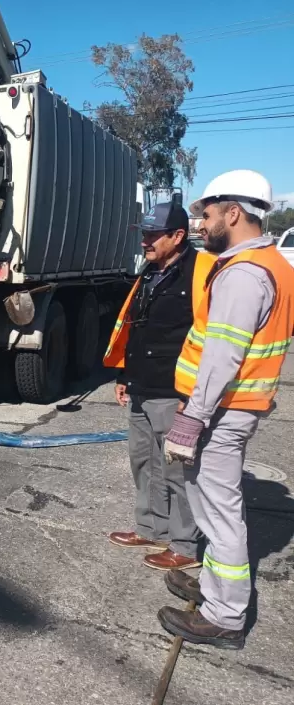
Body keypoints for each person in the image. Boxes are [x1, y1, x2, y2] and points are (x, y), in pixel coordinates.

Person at [158, 170, 294, 650]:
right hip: (234, 406)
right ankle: (215, 590)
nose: (202, 224)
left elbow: (222, 356)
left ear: (233, 213)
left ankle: (224, 617)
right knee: (215, 505)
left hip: (222, 410)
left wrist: (192, 418)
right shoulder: (271, 264)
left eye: (208, 214)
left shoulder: (244, 274)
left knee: (219, 513)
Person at [104, 201, 216, 571]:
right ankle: (151, 526)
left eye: (153, 234)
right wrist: (123, 376)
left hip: (176, 393)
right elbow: (135, 328)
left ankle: (184, 546)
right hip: (141, 385)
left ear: (178, 236)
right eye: (144, 234)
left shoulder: (203, 272)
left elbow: (211, 338)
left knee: (178, 469)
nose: (145, 241)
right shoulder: (150, 272)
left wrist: (193, 395)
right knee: (144, 461)